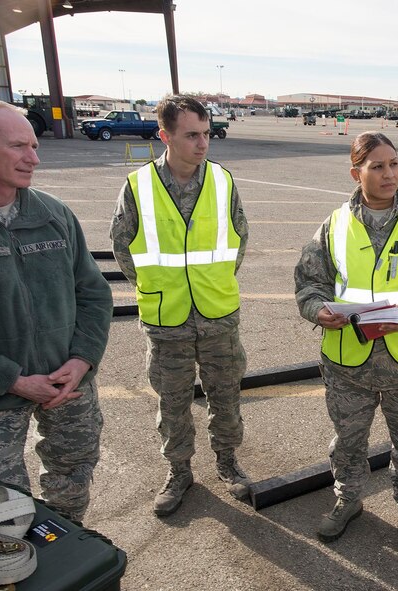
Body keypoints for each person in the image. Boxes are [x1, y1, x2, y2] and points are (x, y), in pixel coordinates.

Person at [295, 132, 398, 554]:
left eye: (393, 164)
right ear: (357, 173)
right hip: (348, 361)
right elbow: (308, 284)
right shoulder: (334, 225)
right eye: (377, 166)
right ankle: (348, 500)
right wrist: (318, 311)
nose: (389, 174)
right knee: (348, 442)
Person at [0, 99, 112, 522]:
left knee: (73, 477)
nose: (34, 158)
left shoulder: (52, 213)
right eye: (19, 146)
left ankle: (69, 548)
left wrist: (83, 359)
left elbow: (93, 293)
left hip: (68, 385)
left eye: (35, 146)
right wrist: (14, 381)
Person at [110, 95, 251, 517]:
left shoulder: (223, 181)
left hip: (218, 315)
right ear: (164, 135)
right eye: (192, 135)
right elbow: (123, 246)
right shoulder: (138, 186)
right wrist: (152, 287)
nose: (203, 143)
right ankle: (179, 471)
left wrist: (215, 282)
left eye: (206, 134)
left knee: (225, 396)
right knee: (172, 402)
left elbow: (239, 238)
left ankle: (227, 462)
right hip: (165, 317)